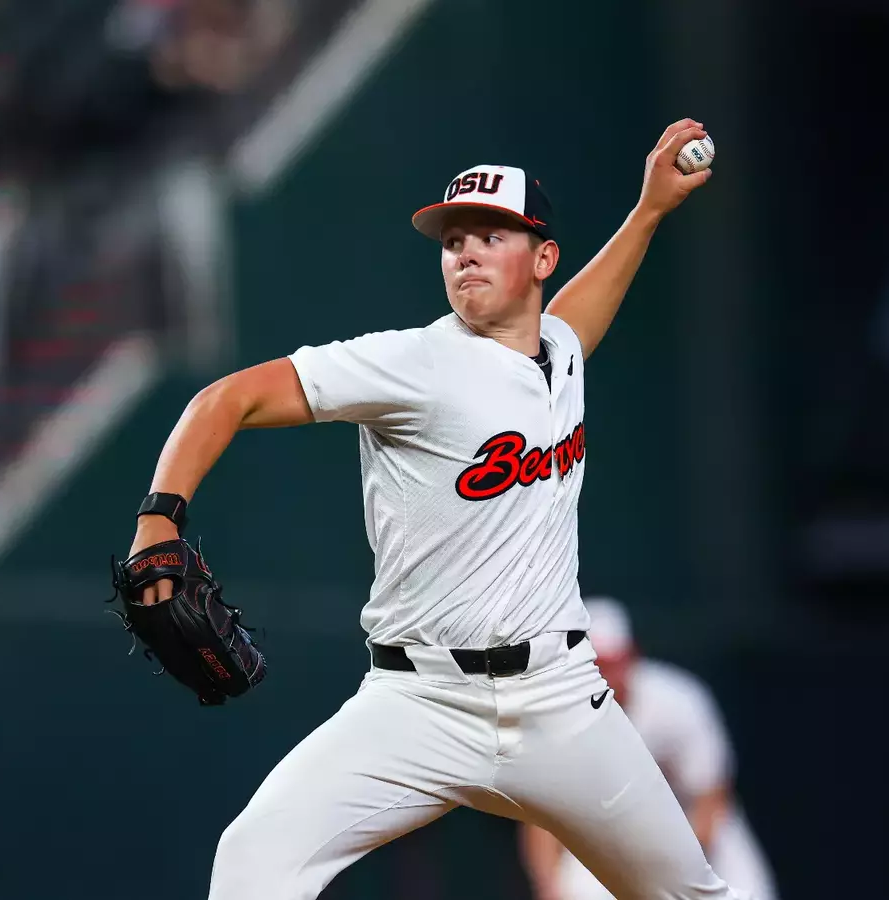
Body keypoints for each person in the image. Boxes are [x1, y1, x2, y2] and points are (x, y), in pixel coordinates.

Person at [125, 119, 732, 899]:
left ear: (542, 259)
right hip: (420, 703)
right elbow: (229, 396)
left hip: (560, 701)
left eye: (490, 234)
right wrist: (158, 515)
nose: (466, 251)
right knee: (252, 862)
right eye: (453, 241)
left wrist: (647, 212)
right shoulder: (413, 363)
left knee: (693, 894)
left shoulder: (559, 353)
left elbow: (574, 322)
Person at [520, 598, 778, 900]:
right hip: (609, 842)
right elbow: (542, 822)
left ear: (633, 655)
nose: (606, 673)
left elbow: (711, 800)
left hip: (694, 834)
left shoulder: (678, 701)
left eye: (614, 661)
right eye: (597, 662)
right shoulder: (555, 721)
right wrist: (548, 888)